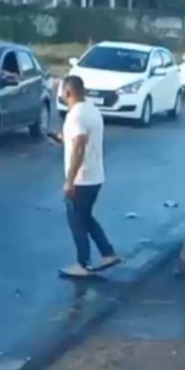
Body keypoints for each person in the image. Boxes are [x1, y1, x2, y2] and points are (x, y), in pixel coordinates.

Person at [58, 75, 120, 278]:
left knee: (76, 220)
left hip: (81, 179)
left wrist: (69, 180)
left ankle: (83, 264)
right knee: (85, 217)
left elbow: (80, 144)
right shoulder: (91, 110)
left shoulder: (75, 115)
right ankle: (108, 253)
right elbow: (80, 138)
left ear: (68, 91)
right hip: (95, 176)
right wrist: (62, 138)